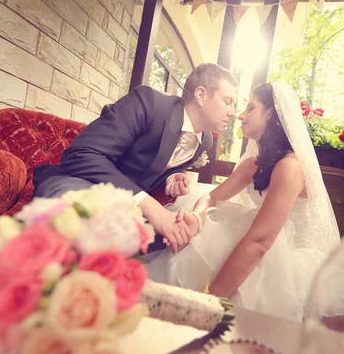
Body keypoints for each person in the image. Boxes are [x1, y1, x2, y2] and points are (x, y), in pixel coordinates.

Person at [144, 82, 344, 322]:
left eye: (250, 108)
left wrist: (210, 302)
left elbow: (260, 242)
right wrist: (197, 220)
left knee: (225, 241)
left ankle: (199, 313)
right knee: (205, 232)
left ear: (270, 114)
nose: (239, 115)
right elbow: (212, 196)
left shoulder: (289, 167)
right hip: (257, 242)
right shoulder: (254, 164)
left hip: (284, 264)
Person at [32, 63, 238, 253]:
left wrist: (171, 177)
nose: (233, 112)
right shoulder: (150, 103)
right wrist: (151, 208)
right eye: (227, 101)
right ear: (201, 95)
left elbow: (156, 161)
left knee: (184, 236)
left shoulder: (206, 142)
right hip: (83, 183)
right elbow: (81, 154)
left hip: (130, 207)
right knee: (85, 223)